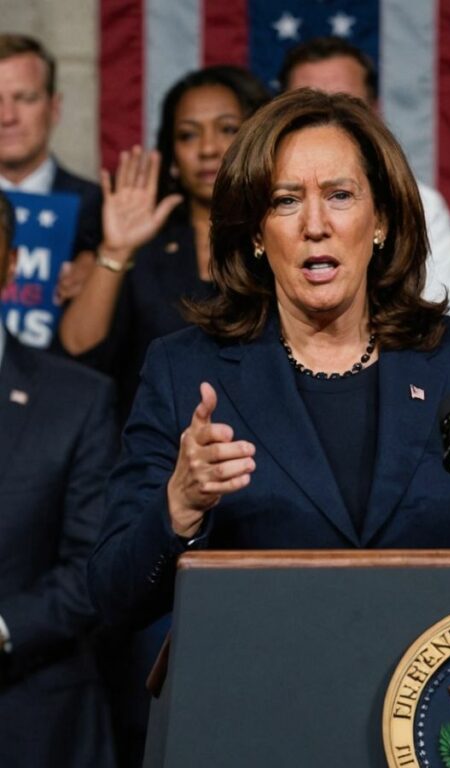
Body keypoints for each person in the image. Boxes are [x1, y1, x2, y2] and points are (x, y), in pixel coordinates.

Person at [88, 89, 450, 627]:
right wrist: (180, 506)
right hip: (263, 699)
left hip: (434, 698)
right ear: (257, 233)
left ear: (381, 222)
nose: (315, 224)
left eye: (340, 195)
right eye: (285, 200)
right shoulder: (187, 370)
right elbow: (112, 592)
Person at [58, 66, 270, 420]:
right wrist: (115, 250)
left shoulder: (288, 234)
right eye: (188, 135)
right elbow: (77, 351)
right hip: (154, 454)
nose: (207, 148)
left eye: (227, 129)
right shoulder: (145, 243)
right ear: (171, 155)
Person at [0, 190, 118, 767]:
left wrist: (2, 628)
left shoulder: (77, 401)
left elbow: (92, 567)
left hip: (35, 724)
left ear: (12, 264)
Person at [278, 36, 450, 321]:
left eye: (345, 103)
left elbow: (446, 327)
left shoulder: (422, 204)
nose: (327, 119)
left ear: (375, 110)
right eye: (307, 107)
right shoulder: (255, 198)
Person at [0, 34, 102, 303]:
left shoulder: (101, 209)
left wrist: (102, 268)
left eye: (25, 98)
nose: (7, 117)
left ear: (54, 108)